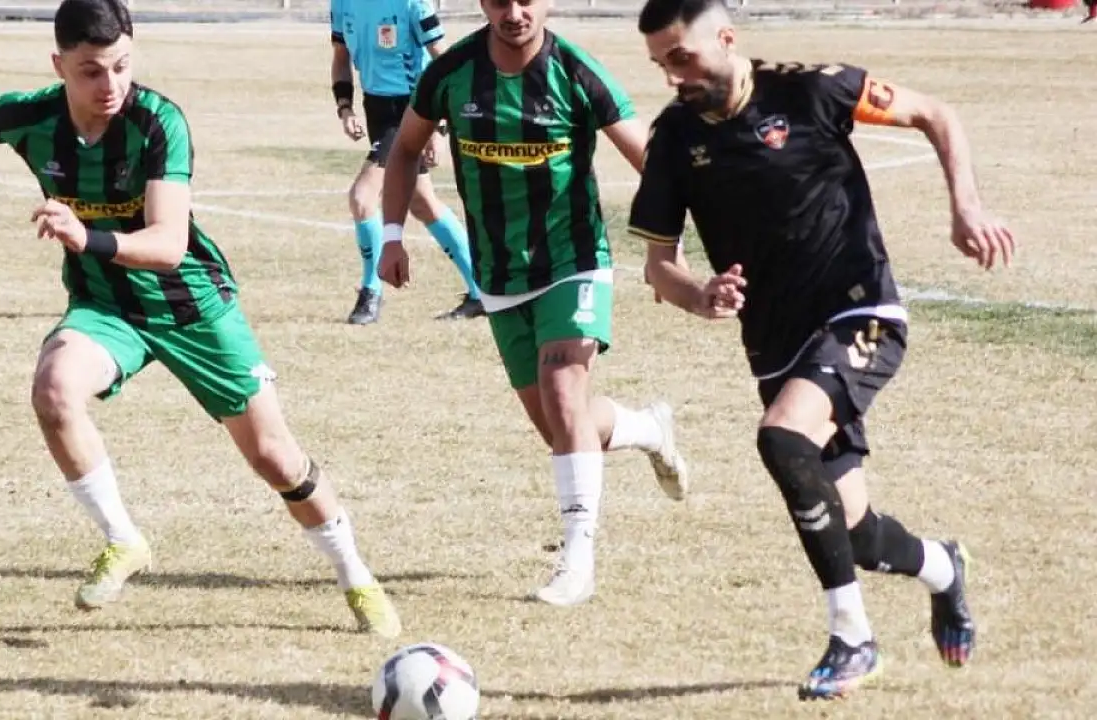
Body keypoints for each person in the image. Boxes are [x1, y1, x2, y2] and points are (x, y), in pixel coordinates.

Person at [0, 0, 402, 638]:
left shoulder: (157, 122)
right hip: (106, 308)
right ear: (59, 66)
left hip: (191, 308)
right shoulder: (32, 117)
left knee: (274, 457)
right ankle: (124, 539)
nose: (110, 84)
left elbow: (168, 245)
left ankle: (356, 575)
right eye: (91, 71)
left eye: (121, 66)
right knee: (53, 390)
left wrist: (85, 236)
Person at [633, 0, 1014, 699]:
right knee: (857, 532)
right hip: (775, 345)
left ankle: (852, 639)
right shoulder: (674, 139)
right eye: (661, 64)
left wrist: (966, 207)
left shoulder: (813, 89)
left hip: (860, 310)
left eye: (680, 57)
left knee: (781, 437)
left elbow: (935, 114)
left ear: (726, 37)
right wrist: (699, 294)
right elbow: (660, 266)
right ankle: (943, 567)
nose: (672, 77)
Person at [375, 0, 690, 608]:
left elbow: (653, 164)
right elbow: (407, 148)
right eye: (500, 0)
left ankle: (577, 560)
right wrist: (391, 235)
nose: (514, 12)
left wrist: (664, 252)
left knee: (563, 392)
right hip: (498, 274)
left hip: (574, 261)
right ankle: (649, 428)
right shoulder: (452, 72)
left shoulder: (575, 71)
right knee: (560, 425)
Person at [330, 0, 484, 324]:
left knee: (362, 197)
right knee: (422, 203)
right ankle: (481, 291)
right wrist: (345, 108)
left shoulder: (412, 4)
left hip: (413, 109)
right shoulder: (342, 3)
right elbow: (341, 58)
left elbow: (446, 63)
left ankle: (371, 292)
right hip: (376, 109)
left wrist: (438, 126)